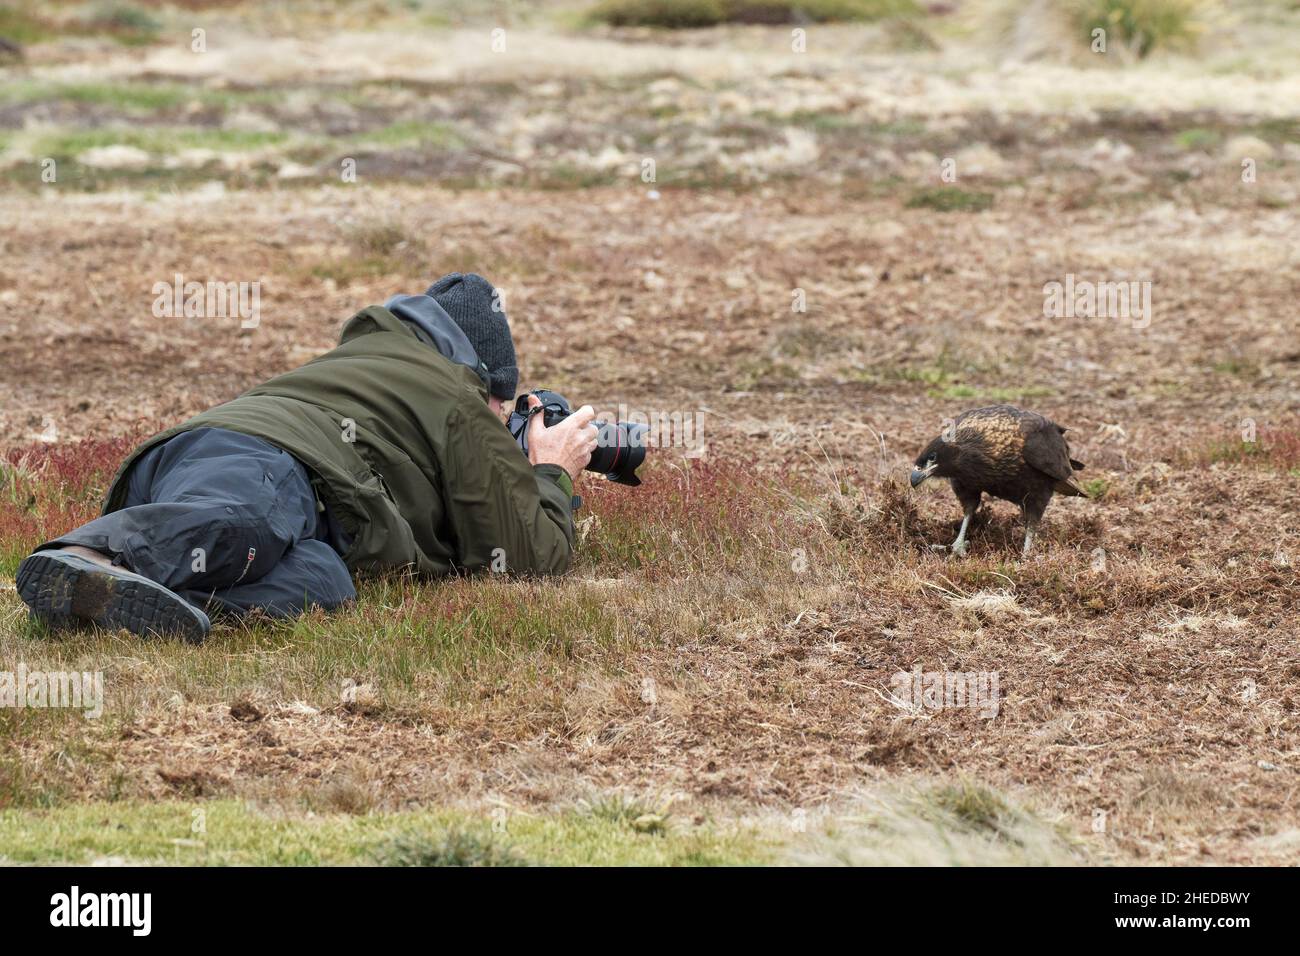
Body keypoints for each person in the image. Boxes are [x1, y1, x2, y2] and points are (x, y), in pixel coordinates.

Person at [16, 273, 598, 643]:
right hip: (268, 463)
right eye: (506, 408)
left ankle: (139, 604)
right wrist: (551, 470)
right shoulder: (455, 397)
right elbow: (525, 558)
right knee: (247, 527)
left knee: (323, 584)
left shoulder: (374, 365)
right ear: (486, 383)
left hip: (242, 484)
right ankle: (89, 553)